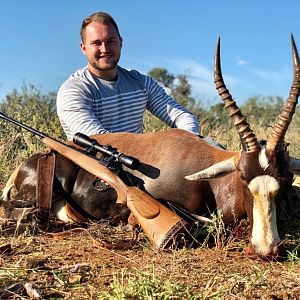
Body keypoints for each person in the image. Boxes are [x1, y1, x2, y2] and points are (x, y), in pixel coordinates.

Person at [56, 12, 200, 141]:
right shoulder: (73, 91)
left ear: (121, 43)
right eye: (96, 43)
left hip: (142, 163)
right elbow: (99, 141)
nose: (105, 49)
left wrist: (187, 143)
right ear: (83, 48)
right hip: (96, 167)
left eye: (111, 41)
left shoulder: (140, 82)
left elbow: (182, 116)